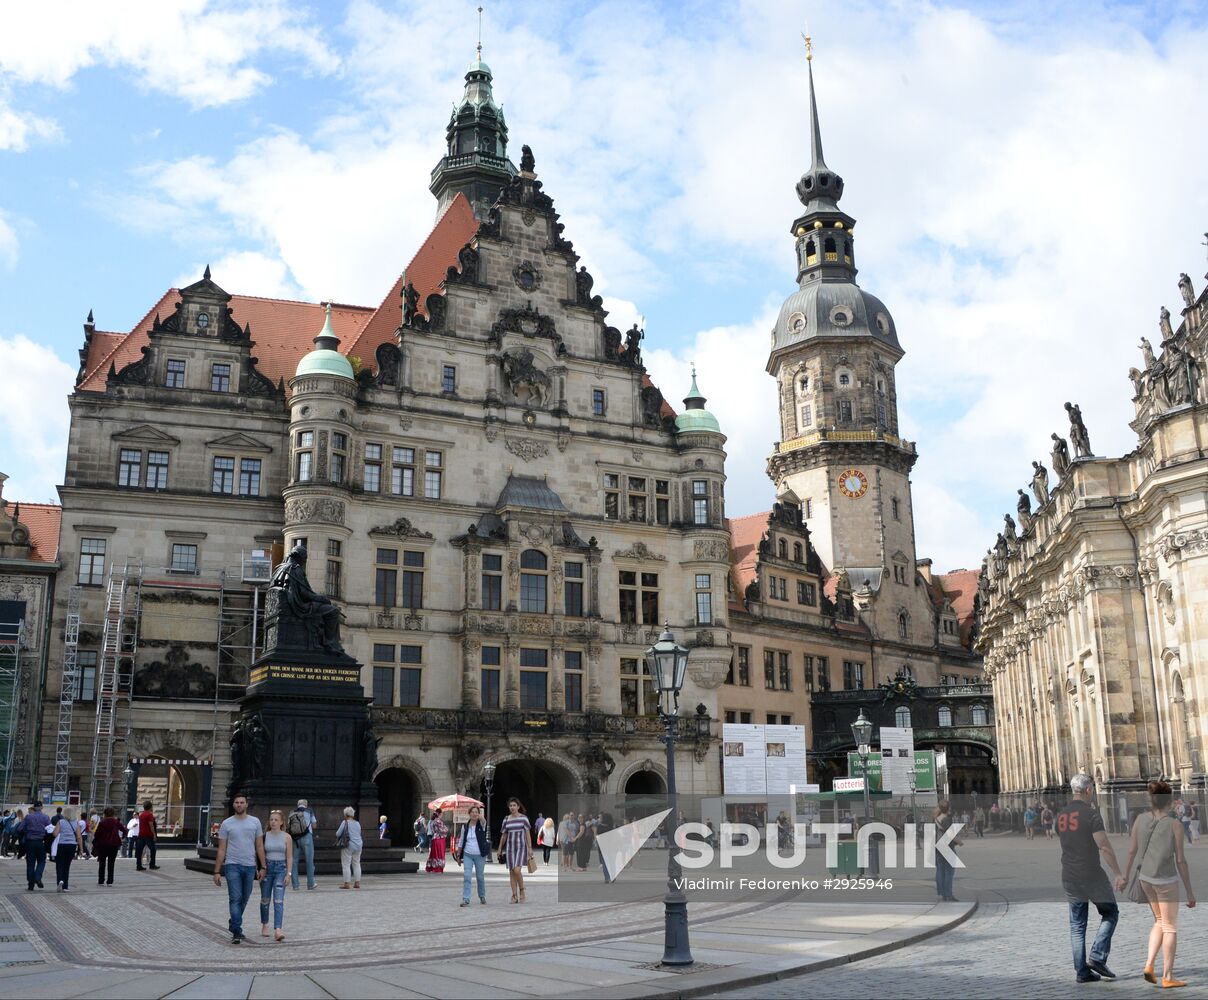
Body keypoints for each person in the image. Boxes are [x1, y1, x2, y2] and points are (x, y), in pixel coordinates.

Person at [1117, 779, 1196, 988]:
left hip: (1145, 879)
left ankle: (1149, 965)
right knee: (1170, 927)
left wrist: (1124, 876)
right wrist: (1189, 891)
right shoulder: (1175, 824)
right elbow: (1180, 860)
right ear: (1169, 801)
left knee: (1159, 921)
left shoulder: (1140, 819)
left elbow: (1132, 850)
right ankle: (1168, 976)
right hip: (1165, 880)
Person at [1057, 774, 1123, 983]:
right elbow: (1103, 846)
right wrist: (1118, 873)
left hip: (1069, 875)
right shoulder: (1091, 814)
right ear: (1088, 790)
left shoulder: (1061, 815)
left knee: (1077, 925)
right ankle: (1097, 956)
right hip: (1091, 874)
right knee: (1110, 913)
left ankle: (1082, 972)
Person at [213, 793, 266, 945]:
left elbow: (259, 846)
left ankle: (234, 922)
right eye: (236, 802)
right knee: (235, 898)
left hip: (250, 866)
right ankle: (237, 931)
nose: (239, 804)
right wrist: (217, 871)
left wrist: (263, 866)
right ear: (233, 805)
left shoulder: (255, 822)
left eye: (242, 802)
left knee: (245, 898)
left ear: (246, 804)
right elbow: (222, 849)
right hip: (232, 865)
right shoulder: (226, 824)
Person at [260, 810, 292, 942]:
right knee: (265, 899)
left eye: (276, 820)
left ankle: (278, 929)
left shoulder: (287, 837)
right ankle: (265, 923)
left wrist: (289, 874)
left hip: (280, 869)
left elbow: (289, 857)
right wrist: (261, 869)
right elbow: (260, 853)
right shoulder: (264, 836)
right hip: (267, 868)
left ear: (281, 822)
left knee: (278, 900)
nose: (273, 822)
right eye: (271, 819)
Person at [499, 797, 533, 903]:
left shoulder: (523, 818)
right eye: (510, 805)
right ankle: (514, 895)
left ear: (518, 807)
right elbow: (504, 835)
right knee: (512, 872)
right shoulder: (506, 819)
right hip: (509, 848)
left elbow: (527, 834)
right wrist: (500, 848)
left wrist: (530, 848)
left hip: (521, 847)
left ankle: (522, 889)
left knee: (517, 870)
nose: (512, 807)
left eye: (514, 805)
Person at [455, 804, 489, 906]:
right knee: (467, 876)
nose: (474, 814)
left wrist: (480, 814)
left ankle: (482, 895)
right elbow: (461, 842)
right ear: (469, 814)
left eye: (476, 812)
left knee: (480, 877)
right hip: (467, 854)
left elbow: (484, 821)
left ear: (478, 814)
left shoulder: (481, 825)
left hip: (480, 855)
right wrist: (458, 855)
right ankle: (466, 899)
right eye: (472, 812)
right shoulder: (465, 827)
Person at [19, 801, 50, 890]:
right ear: (42, 807)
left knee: (30, 863)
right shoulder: (45, 817)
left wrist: (27, 830)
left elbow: (20, 828)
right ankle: (37, 877)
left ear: (34, 807)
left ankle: (30, 884)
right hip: (40, 842)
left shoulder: (28, 817)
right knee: (41, 861)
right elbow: (50, 829)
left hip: (30, 842)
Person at [287, 799, 317, 891]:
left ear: (298, 805)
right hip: (307, 837)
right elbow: (314, 825)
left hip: (295, 839)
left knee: (294, 862)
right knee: (309, 861)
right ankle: (311, 884)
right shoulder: (309, 811)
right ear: (306, 805)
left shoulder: (292, 813)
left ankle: (295, 885)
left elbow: (289, 826)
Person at [934, 800, 960, 902]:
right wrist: (959, 842)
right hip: (947, 846)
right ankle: (949, 894)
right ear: (948, 808)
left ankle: (943, 894)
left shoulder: (935, 819)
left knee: (940, 871)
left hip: (938, 846)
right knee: (949, 871)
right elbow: (950, 834)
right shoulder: (947, 819)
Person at [54, 808, 83, 892]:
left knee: (59, 865)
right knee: (67, 866)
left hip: (61, 845)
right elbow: (78, 836)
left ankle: (60, 881)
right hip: (72, 846)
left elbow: (55, 834)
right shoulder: (76, 823)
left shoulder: (61, 822)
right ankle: (65, 886)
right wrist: (81, 849)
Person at [93, 807, 124, 886]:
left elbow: (97, 834)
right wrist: (121, 838)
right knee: (111, 863)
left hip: (103, 845)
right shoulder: (116, 822)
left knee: (102, 863)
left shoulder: (102, 822)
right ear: (113, 813)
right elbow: (124, 830)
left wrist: (97, 841)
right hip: (114, 845)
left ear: (105, 814)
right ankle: (110, 881)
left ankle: (101, 881)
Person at [336, 806, 363, 889]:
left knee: (346, 864)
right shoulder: (357, 823)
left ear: (345, 814)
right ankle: (357, 883)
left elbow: (337, 834)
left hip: (348, 845)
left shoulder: (345, 822)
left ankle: (347, 884)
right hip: (359, 845)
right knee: (356, 863)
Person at [136, 800, 159, 870]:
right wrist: (154, 835)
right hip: (148, 835)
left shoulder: (141, 815)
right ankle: (152, 865)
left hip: (141, 835)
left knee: (139, 851)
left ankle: (139, 866)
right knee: (153, 850)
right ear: (151, 807)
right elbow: (151, 826)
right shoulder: (149, 815)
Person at [426, 808, 448, 873]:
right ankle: (438, 868)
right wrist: (446, 829)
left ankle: (431, 867)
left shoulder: (433, 821)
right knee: (439, 854)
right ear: (440, 814)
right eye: (442, 813)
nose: (442, 815)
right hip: (440, 838)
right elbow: (443, 830)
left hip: (435, 838)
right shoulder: (438, 821)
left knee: (434, 854)